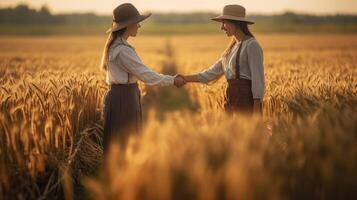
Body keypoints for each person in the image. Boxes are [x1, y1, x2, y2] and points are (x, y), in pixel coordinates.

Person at [100, 3, 186, 153]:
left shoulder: (117, 46)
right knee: (125, 142)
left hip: (120, 96)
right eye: (137, 22)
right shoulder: (122, 50)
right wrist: (173, 80)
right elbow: (146, 75)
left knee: (120, 141)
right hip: (124, 98)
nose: (139, 26)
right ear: (128, 25)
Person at [180, 4, 264, 116]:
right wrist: (183, 78)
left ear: (236, 23)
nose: (222, 27)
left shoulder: (252, 45)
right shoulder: (231, 49)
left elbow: (258, 80)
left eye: (224, 23)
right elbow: (209, 74)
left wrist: (257, 112)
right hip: (230, 99)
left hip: (245, 102)